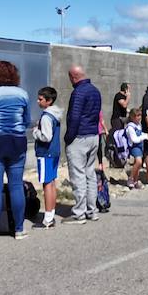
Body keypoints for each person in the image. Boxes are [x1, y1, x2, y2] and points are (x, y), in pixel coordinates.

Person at [0, 61, 34, 242]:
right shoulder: (22, 94)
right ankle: (19, 229)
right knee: (16, 185)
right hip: (17, 141)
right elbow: (27, 121)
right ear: (14, 75)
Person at [64, 66, 103, 223]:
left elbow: (74, 117)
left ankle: (79, 213)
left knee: (78, 175)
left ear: (74, 77)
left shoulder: (78, 92)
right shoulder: (95, 90)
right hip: (94, 135)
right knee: (90, 174)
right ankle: (92, 210)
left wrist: (68, 137)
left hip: (80, 137)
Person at [31, 86, 63, 229]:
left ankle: (48, 218)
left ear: (48, 101)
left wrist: (35, 132)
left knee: (47, 184)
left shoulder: (46, 117)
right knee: (52, 183)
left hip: (45, 153)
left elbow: (46, 136)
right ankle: (51, 214)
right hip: (54, 152)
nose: (38, 101)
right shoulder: (55, 115)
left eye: (41, 99)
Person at [121, 108, 148, 189]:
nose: (139, 117)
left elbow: (141, 133)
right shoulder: (130, 127)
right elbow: (134, 139)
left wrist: (146, 135)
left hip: (140, 146)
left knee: (137, 165)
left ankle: (135, 180)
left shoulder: (138, 125)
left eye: (140, 115)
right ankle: (131, 178)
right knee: (138, 162)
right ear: (132, 117)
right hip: (134, 147)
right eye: (137, 116)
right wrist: (145, 137)